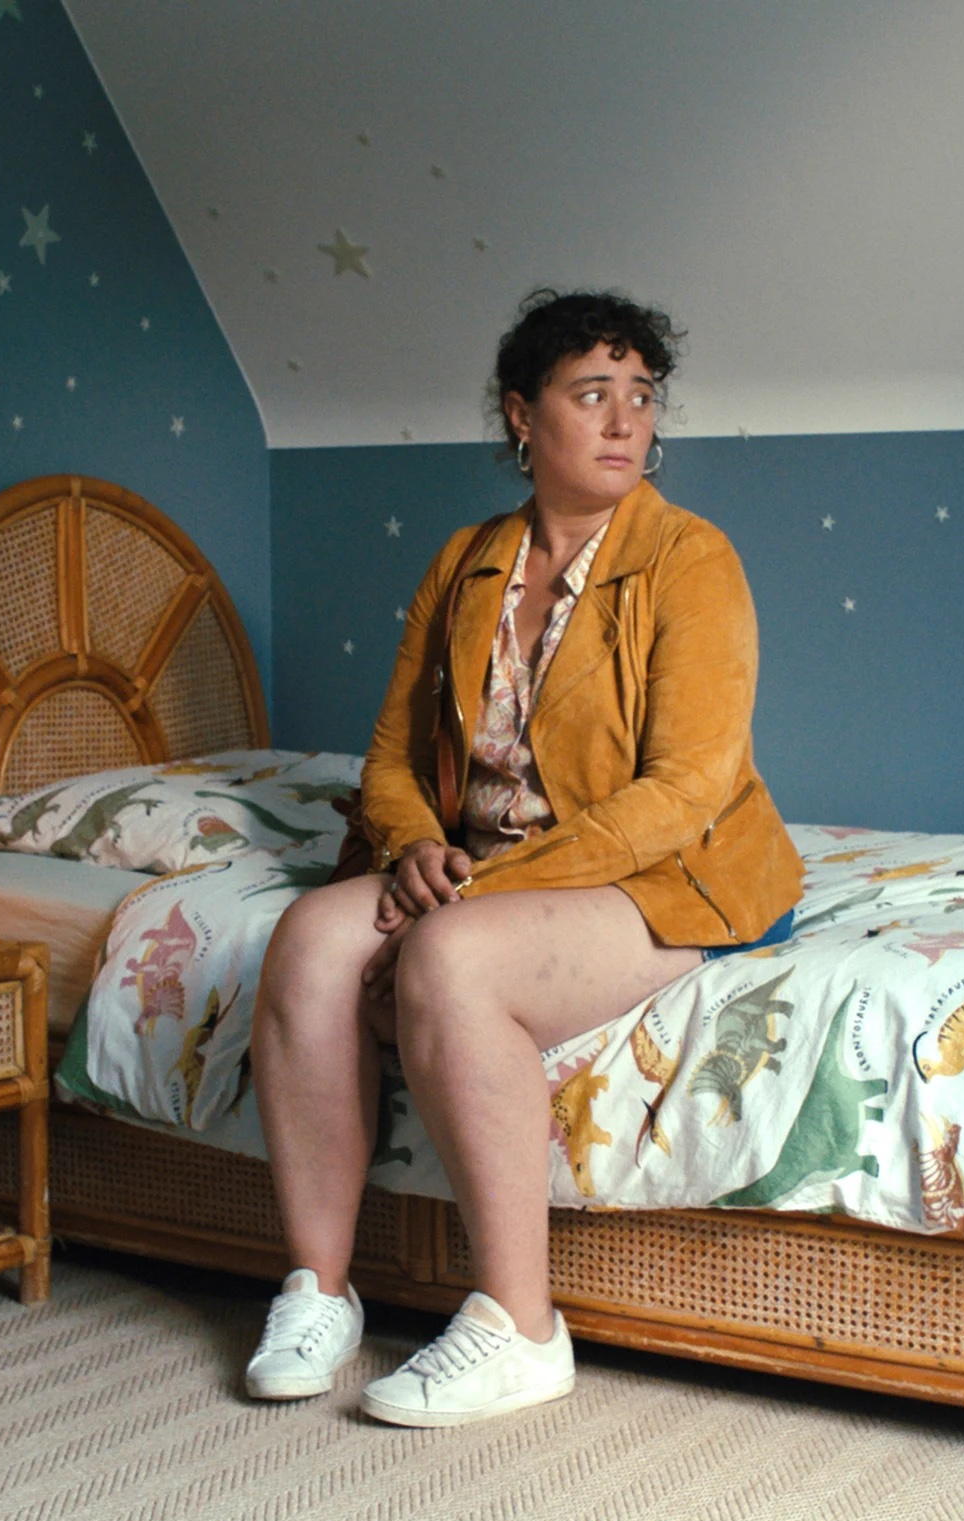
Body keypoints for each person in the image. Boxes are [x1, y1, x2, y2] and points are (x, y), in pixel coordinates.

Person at [244, 288, 803, 1427]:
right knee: (306, 939)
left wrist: (473, 890)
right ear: (521, 415)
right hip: (478, 865)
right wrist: (412, 843)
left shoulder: (691, 558)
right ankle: (319, 1289)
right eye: (592, 393)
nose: (625, 420)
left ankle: (521, 1327)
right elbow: (392, 755)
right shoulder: (467, 562)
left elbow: (686, 791)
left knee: (450, 960)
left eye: (641, 395)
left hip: (662, 872)